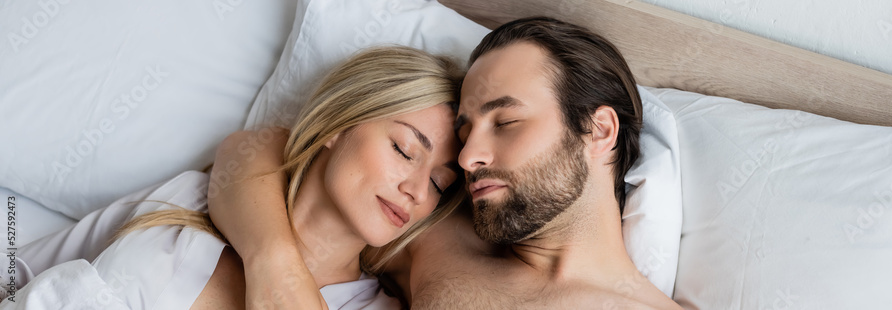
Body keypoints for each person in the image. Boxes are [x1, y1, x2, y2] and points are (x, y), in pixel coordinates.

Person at [209, 17, 683, 308]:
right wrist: (275, 267)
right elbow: (262, 152)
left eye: (506, 122)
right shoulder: (441, 240)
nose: (469, 157)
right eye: (465, 130)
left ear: (598, 131)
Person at [2, 46, 466, 309]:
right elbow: (16, 272)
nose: (416, 190)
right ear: (338, 126)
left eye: (440, 185)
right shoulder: (189, 199)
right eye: (404, 150)